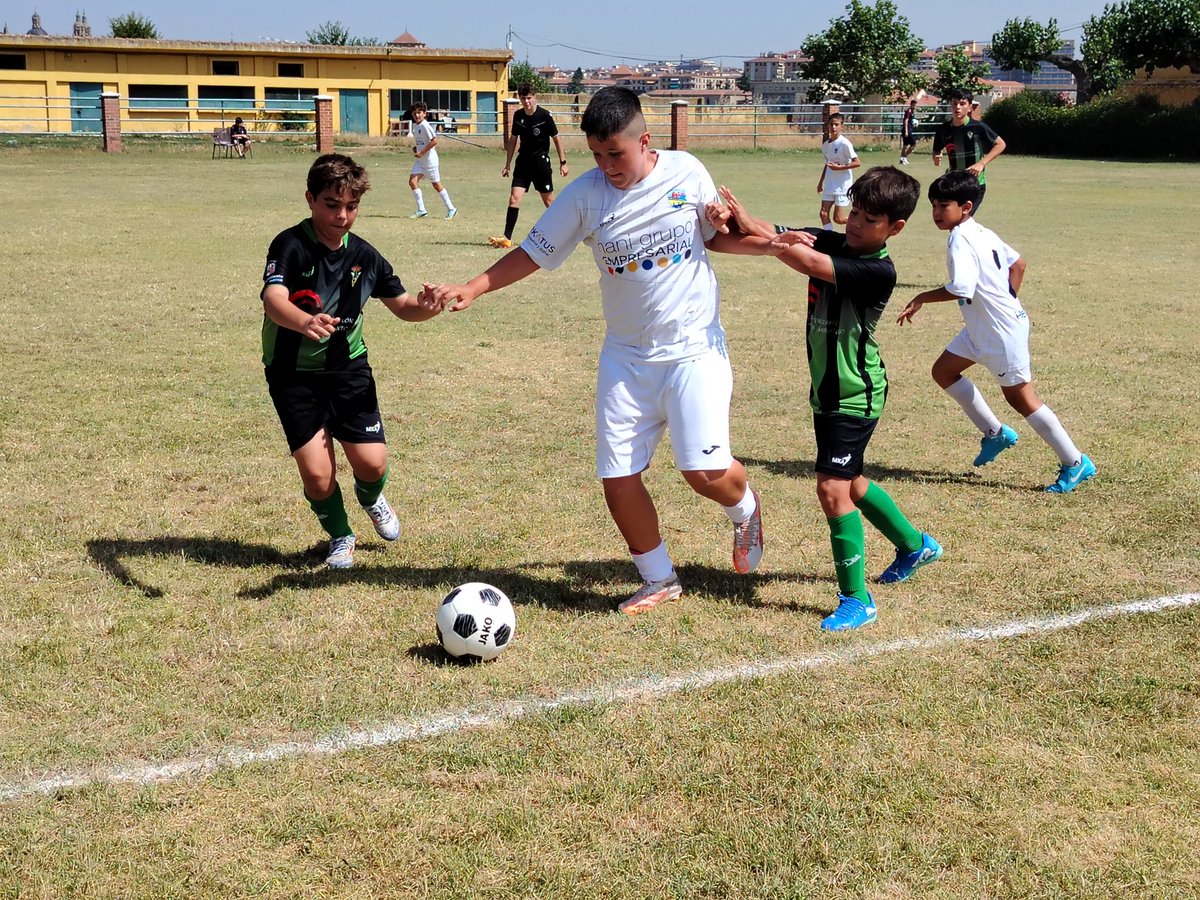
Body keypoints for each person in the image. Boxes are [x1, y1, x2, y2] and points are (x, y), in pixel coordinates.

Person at [422, 87, 766, 615]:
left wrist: (750, 232)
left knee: (703, 474)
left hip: (693, 349)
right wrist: (473, 287)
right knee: (617, 476)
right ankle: (659, 580)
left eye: (616, 155)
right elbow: (534, 252)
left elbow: (712, 237)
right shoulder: (584, 196)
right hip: (625, 358)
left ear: (644, 141)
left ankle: (744, 510)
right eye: (597, 155)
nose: (607, 166)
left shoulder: (687, 171)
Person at [707, 168, 941, 632]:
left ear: (894, 228)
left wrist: (762, 230)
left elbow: (806, 262)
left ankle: (857, 600)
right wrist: (727, 218)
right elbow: (772, 234)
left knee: (832, 489)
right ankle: (915, 545)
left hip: (855, 393)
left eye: (868, 218)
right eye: (854, 211)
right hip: (828, 391)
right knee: (851, 483)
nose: (854, 223)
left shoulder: (877, 270)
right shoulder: (833, 240)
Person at [261, 153, 444, 568]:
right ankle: (341, 535)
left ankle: (371, 497)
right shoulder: (289, 245)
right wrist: (304, 320)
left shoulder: (365, 255)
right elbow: (273, 300)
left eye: (351, 206)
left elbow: (403, 305)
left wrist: (427, 306)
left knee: (372, 462)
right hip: (293, 375)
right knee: (319, 476)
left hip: (348, 371)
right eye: (331, 204)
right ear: (310, 199)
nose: (342, 216)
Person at [896, 170, 1096, 493]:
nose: (935, 212)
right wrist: (1006, 300)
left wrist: (921, 297)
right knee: (943, 371)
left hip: (1000, 332)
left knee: (1022, 399)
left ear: (966, 206)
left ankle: (1075, 462)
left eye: (943, 205)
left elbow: (962, 287)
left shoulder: (960, 238)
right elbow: (1019, 264)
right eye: (933, 205)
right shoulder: (982, 232)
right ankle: (996, 433)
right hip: (983, 328)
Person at [488, 83, 569, 249]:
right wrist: (508, 164)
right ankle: (507, 238)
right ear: (519, 98)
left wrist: (563, 162)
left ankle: (565, 233)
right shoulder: (518, 115)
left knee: (548, 201)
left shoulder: (545, 116)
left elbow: (557, 139)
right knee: (514, 198)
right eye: (523, 98)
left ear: (535, 97)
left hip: (540, 163)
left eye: (529, 98)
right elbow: (513, 139)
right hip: (523, 163)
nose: (526, 101)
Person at [932, 89, 1005, 212]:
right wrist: (936, 157)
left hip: (975, 183)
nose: (958, 107)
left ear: (970, 107)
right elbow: (936, 151)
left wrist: (981, 163)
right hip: (954, 183)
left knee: (962, 218)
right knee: (954, 218)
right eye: (954, 103)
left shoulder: (978, 127)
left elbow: (1000, 144)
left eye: (962, 104)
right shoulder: (943, 130)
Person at [408, 102, 457, 220]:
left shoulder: (425, 125)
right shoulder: (417, 126)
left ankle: (451, 208)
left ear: (425, 114)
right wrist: (417, 148)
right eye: (414, 113)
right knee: (412, 182)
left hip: (430, 161)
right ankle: (421, 210)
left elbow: (434, 141)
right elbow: (422, 142)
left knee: (436, 185)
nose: (417, 115)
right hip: (420, 162)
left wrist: (422, 152)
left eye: (419, 113)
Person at [817, 113, 859, 230]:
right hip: (830, 184)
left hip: (842, 185)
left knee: (839, 219)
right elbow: (827, 165)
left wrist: (839, 168)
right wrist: (821, 182)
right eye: (831, 124)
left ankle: (860, 224)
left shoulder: (844, 143)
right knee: (823, 214)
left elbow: (857, 162)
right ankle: (828, 237)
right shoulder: (825, 145)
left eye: (836, 124)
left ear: (842, 126)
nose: (833, 127)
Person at [899, 99, 917, 165]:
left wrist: (914, 124)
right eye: (913, 105)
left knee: (905, 145)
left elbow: (910, 121)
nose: (914, 106)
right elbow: (906, 121)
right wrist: (906, 131)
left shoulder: (912, 111)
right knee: (914, 144)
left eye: (915, 105)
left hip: (908, 129)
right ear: (911, 104)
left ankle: (901, 159)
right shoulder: (908, 111)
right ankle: (904, 157)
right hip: (907, 130)